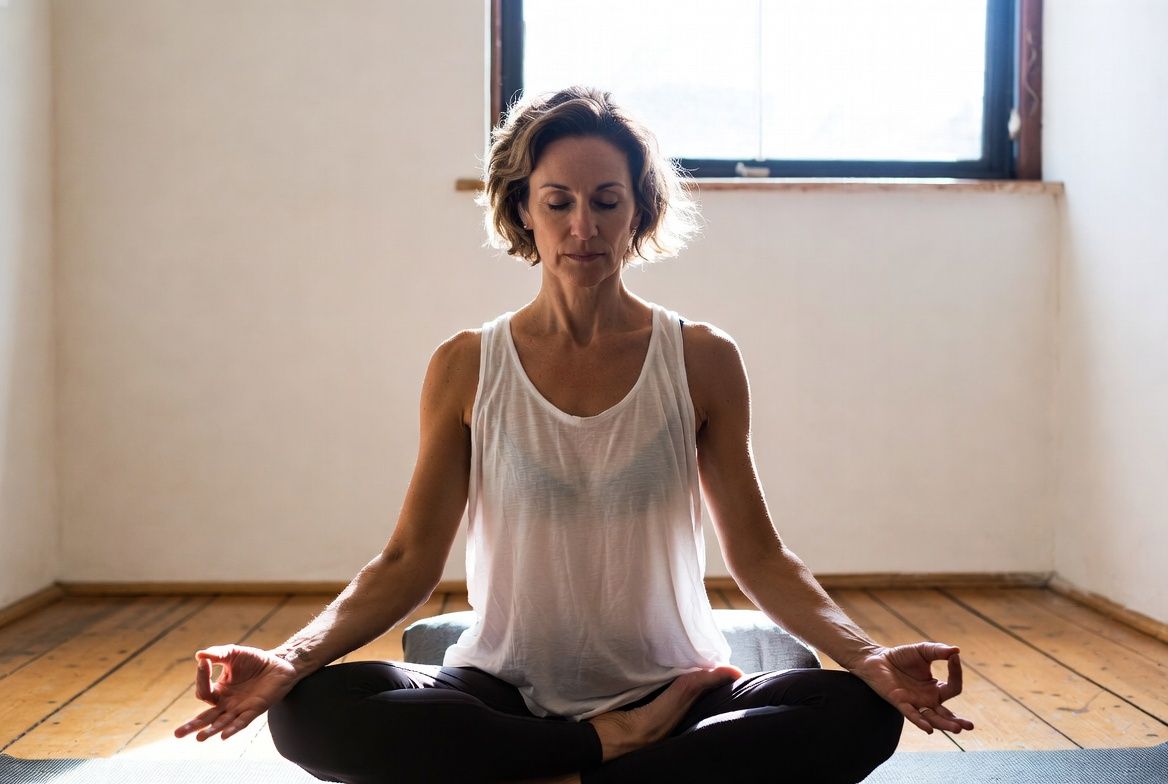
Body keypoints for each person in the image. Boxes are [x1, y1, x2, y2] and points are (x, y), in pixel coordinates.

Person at [174, 86, 974, 783]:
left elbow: (760, 557)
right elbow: (407, 563)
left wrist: (869, 656)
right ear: (523, 207)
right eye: (558, 201)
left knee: (854, 712)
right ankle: (606, 752)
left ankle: (549, 771)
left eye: (607, 200)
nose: (582, 225)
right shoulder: (465, 365)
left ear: (640, 209)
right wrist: (287, 659)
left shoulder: (701, 359)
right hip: (502, 691)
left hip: (677, 690)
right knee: (313, 711)